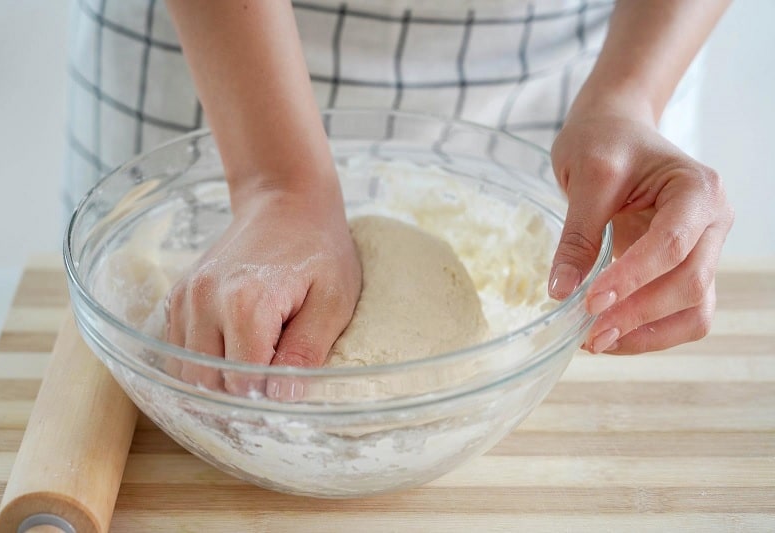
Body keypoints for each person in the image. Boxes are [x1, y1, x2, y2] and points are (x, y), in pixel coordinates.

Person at [65, 0, 733, 377]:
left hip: (583, 59)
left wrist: (630, 95)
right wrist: (275, 180)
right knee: (178, 331)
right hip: (227, 68)